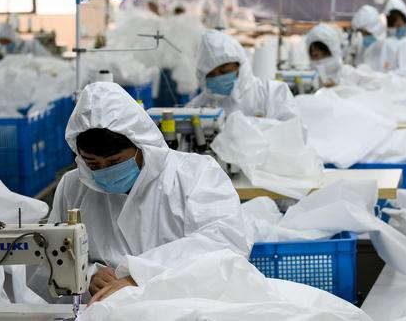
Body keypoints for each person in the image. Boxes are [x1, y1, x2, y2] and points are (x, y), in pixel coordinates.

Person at [33, 82, 249, 304]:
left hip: (186, 302)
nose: (104, 170)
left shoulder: (195, 174)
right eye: (93, 164)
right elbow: (49, 259)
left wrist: (141, 276)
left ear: (141, 145)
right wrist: (89, 276)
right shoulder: (74, 186)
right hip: (108, 308)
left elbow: (224, 246)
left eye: (115, 162)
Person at [187, 30, 298, 121]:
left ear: (240, 66)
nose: (218, 78)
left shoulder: (273, 92)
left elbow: (293, 133)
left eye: (224, 72)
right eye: (211, 75)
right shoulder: (196, 107)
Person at [306, 23, 406, 88]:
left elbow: (381, 84)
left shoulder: (346, 72)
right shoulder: (316, 77)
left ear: (330, 49)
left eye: (318, 49)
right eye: (312, 51)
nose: (314, 53)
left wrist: (341, 86)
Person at [351, 5, 406, 81]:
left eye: (367, 33)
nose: (364, 37)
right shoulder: (363, 50)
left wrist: (389, 77)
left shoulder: (397, 45)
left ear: (375, 30)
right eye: (361, 33)